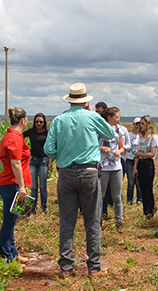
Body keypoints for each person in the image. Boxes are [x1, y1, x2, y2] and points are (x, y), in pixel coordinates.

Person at [43, 83, 116, 279]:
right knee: (92, 221)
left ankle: (66, 267)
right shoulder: (91, 116)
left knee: (67, 222)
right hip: (89, 172)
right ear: (86, 100)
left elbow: (49, 150)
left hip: (66, 173)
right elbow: (110, 133)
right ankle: (94, 267)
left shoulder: (59, 120)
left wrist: (65, 153)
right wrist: (91, 111)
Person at [0, 107, 32, 265]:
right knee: (9, 222)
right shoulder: (15, 138)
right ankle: (6, 257)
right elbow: (16, 163)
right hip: (13, 185)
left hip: (9, 182)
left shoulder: (9, 135)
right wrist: (22, 187)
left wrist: (5, 169)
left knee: (12, 220)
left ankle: (13, 253)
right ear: (23, 120)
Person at [99, 107, 129, 233]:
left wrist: (119, 151)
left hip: (116, 167)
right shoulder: (100, 130)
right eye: (116, 117)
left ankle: (119, 221)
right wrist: (103, 149)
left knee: (117, 196)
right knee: (101, 195)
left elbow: (123, 147)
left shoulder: (119, 130)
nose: (119, 119)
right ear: (109, 118)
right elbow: (95, 145)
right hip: (103, 167)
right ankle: (98, 222)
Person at [23, 113, 50, 214]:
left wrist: (51, 160)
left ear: (44, 122)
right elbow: (20, 137)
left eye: (41, 122)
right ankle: (32, 210)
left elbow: (53, 143)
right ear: (34, 122)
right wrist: (25, 150)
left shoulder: (47, 132)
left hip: (44, 160)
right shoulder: (31, 132)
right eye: (37, 121)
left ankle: (43, 208)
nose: (39, 123)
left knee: (43, 186)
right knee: (33, 187)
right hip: (33, 161)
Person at [132, 115, 158, 219]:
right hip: (140, 164)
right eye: (140, 123)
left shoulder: (153, 137)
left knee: (148, 189)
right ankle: (145, 211)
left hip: (148, 164)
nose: (141, 125)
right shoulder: (141, 136)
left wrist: (139, 154)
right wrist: (135, 167)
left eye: (143, 123)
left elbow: (152, 154)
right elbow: (136, 155)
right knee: (142, 189)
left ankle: (150, 212)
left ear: (148, 124)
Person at [124, 117, 140, 205]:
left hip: (140, 160)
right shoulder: (129, 135)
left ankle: (139, 199)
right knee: (130, 181)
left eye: (139, 124)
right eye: (136, 124)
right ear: (133, 124)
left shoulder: (142, 136)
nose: (137, 126)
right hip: (130, 160)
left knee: (138, 182)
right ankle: (129, 200)